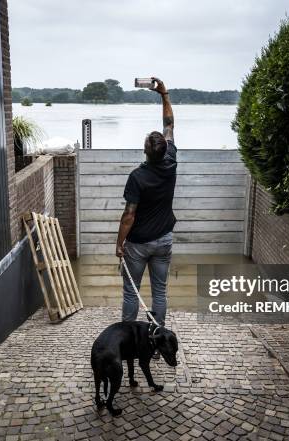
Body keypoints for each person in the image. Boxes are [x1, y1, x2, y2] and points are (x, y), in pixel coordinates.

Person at [116, 77, 176, 328]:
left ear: (145, 151)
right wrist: (164, 94)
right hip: (164, 240)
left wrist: (119, 244)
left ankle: (129, 337)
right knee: (160, 292)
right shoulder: (171, 160)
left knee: (132, 292)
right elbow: (169, 125)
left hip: (138, 244)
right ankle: (156, 337)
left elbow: (129, 216)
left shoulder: (137, 177)